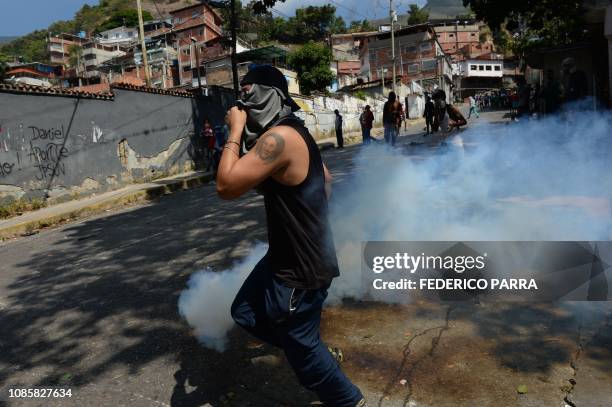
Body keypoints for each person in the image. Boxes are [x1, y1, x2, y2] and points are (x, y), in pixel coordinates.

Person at [216, 65, 365, 407]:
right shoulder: (293, 130)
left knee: (302, 349)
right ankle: (311, 352)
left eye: (248, 90)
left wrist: (235, 130)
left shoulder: (278, 138)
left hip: (300, 268)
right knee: (244, 311)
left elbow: (225, 186)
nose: (241, 99)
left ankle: (346, 398)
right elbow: (324, 177)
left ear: (269, 95)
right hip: (288, 256)